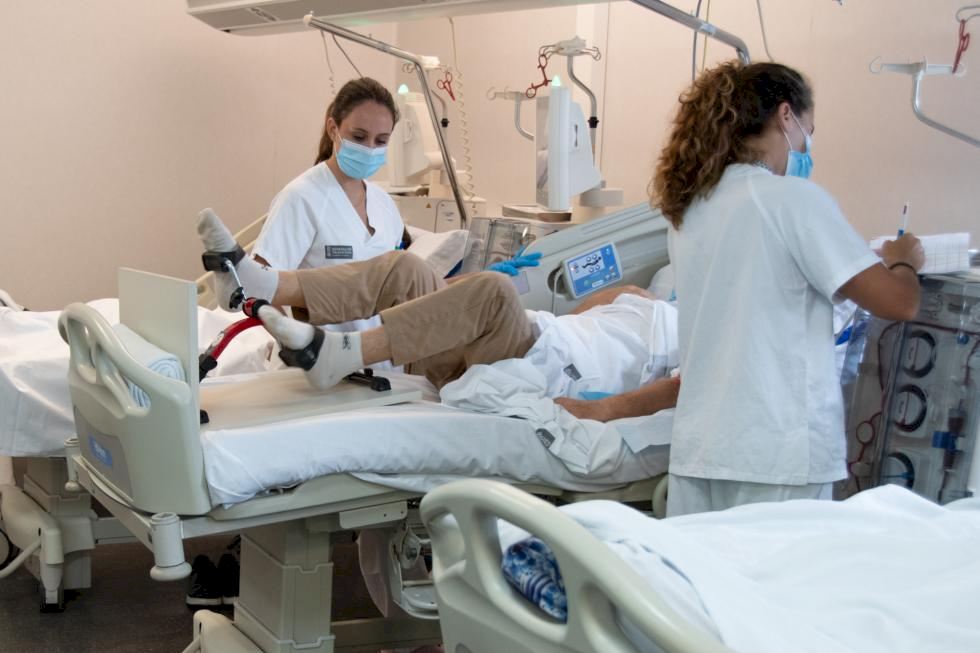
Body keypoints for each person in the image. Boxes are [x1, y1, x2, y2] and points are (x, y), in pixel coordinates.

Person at [647, 61, 925, 517]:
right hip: (777, 455)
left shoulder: (691, 209)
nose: (806, 148)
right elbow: (900, 303)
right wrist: (903, 260)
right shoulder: (792, 201)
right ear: (785, 115)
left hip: (701, 451)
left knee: (700, 566)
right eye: (807, 133)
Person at [197, 209, 680, 414]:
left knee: (493, 292)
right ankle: (260, 283)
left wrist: (598, 413)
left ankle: (338, 355)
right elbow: (573, 320)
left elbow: (679, 392)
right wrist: (460, 295)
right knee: (407, 268)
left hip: (548, 371)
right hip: (534, 338)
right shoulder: (635, 294)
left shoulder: (698, 336)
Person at [250, 77, 407, 332]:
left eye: (381, 141)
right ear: (333, 129)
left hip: (379, 352)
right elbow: (257, 286)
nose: (369, 149)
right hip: (320, 352)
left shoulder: (385, 205)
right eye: (359, 136)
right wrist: (295, 341)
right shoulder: (302, 197)